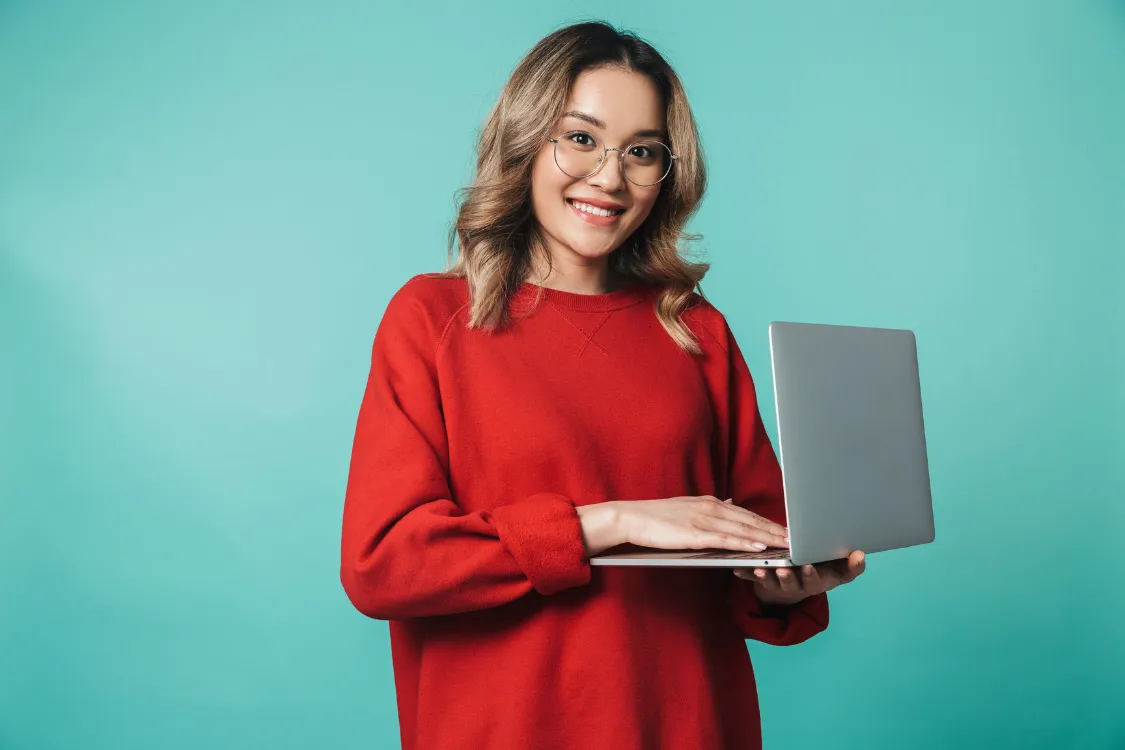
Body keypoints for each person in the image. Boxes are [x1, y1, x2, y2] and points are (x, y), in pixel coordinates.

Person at [340, 21, 866, 750]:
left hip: (688, 726)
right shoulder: (431, 318)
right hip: (502, 729)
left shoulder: (694, 329)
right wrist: (610, 522)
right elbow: (385, 564)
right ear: (525, 142)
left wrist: (781, 581)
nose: (610, 178)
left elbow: (753, 535)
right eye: (580, 139)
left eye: (641, 152)